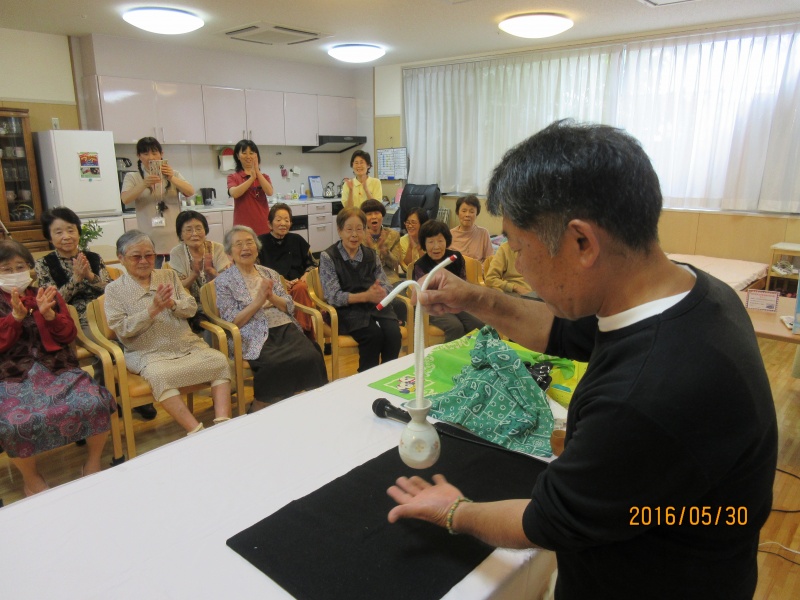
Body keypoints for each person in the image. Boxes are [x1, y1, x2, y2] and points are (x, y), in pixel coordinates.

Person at [387, 120, 777, 599]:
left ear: (582, 243)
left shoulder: (643, 396)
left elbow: (545, 520)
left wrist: (454, 511)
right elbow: (561, 330)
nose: (517, 262)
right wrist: (474, 297)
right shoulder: (693, 293)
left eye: (518, 246)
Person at [0, 240, 115, 496]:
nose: (14, 273)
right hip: (11, 374)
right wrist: (15, 318)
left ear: (29, 268)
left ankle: (92, 463)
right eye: (6, 269)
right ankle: (31, 479)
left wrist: (50, 316)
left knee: (95, 402)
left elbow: (68, 334)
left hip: (56, 368)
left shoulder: (47, 294)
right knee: (13, 424)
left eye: (20, 266)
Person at [105, 230, 232, 435]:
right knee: (160, 375)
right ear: (121, 258)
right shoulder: (114, 290)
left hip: (185, 344)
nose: (144, 261)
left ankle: (223, 424)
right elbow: (121, 328)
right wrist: (151, 311)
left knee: (219, 361)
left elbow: (191, 307)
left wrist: (172, 304)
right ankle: (196, 431)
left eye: (149, 255)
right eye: (136, 256)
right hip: (147, 352)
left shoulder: (168, 276)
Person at [216, 226, 328, 412]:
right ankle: (260, 406)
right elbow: (233, 321)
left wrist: (271, 297)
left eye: (250, 242)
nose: (246, 248)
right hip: (251, 332)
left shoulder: (269, 273)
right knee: (273, 364)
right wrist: (258, 301)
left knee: (311, 355)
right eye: (239, 244)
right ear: (229, 254)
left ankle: (304, 404)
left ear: (257, 247)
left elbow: (288, 306)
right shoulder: (223, 281)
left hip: (283, 326)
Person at [319, 207, 401, 372]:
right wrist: (366, 296)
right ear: (340, 231)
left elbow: (385, 284)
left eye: (359, 229)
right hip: (347, 311)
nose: (354, 235)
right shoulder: (328, 256)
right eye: (349, 229)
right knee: (373, 336)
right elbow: (333, 296)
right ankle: (366, 379)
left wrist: (381, 292)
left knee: (393, 335)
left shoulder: (371, 254)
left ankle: (387, 375)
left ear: (365, 231)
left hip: (374, 306)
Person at [121, 137, 195, 263]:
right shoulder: (132, 176)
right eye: (145, 154)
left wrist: (171, 177)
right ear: (139, 156)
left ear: (161, 154)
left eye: (155, 153)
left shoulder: (174, 174)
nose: (151, 157)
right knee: (154, 272)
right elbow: (125, 199)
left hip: (174, 236)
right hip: (149, 237)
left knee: (177, 272)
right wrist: (144, 184)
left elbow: (190, 191)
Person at [35, 207, 111, 328]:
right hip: (73, 323)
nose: (66, 236)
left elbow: (112, 291)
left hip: (106, 316)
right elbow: (52, 303)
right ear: (49, 238)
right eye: (59, 233)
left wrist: (90, 276)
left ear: (78, 233)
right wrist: (75, 280)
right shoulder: (44, 264)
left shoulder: (94, 258)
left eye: (71, 230)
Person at [412, 220, 482, 342]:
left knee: (478, 324)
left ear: (446, 241)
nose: (436, 246)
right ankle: (450, 353)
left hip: (456, 302)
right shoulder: (420, 265)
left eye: (440, 241)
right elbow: (423, 295)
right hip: (433, 306)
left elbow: (462, 283)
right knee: (455, 327)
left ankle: (474, 351)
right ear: (424, 244)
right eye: (431, 242)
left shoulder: (455, 258)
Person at [257, 203, 317, 338]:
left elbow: (313, 263)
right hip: (274, 289)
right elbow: (256, 271)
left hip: (297, 285)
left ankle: (300, 332)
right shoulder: (260, 242)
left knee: (301, 288)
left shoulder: (297, 240)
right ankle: (304, 336)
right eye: (278, 220)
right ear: (269, 224)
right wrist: (279, 282)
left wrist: (307, 274)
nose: (283, 223)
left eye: (287, 220)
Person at [169, 210, 230, 316]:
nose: (195, 234)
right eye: (189, 230)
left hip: (220, 302)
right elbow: (177, 288)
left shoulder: (218, 248)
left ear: (205, 230)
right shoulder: (177, 252)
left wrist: (211, 271)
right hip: (192, 307)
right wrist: (194, 275)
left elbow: (229, 282)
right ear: (181, 235)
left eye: (198, 228)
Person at [227, 139, 274, 236]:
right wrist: (252, 178)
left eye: (251, 153)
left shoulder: (264, 177)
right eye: (244, 153)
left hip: (263, 226)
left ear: (256, 155)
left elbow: (269, 192)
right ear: (238, 156)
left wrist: (257, 172)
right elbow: (234, 193)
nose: (248, 156)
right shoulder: (233, 177)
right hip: (242, 229)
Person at [361, 199, 402, 285]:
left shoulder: (393, 235)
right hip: (365, 278)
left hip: (388, 277)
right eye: (369, 214)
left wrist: (385, 252)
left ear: (382, 216)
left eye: (376, 213)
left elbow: (395, 264)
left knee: (401, 290)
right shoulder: (359, 236)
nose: (373, 217)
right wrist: (371, 248)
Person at [449, 194, 494, 261]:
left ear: (476, 214)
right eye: (464, 211)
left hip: (478, 267)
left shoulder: (483, 233)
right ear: (458, 213)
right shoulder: (450, 234)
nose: (467, 215)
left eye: (472, 211)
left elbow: (489, 259)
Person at [398, 206, 429, 275]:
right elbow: (406, 265)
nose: (410, 226)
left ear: (423, 224)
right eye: (407, 222)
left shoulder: (430, 240)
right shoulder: (402, 240)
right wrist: (411, 247)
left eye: (413, 222)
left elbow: (427, 265)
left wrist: (418, 248)